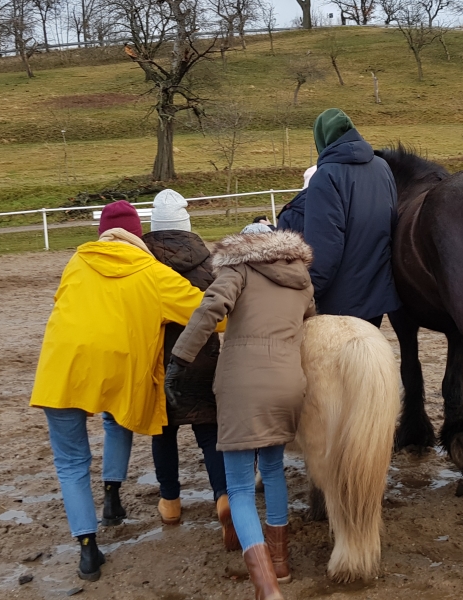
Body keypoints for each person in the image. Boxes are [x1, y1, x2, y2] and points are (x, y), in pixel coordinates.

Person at [29, 200, 210, 581]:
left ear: (102, 236)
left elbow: (62, 302)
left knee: (71, 462)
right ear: (137, 234)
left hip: (61, 370)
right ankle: (112, 498)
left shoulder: (77, 261)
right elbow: (208, 312)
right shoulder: (151, 272)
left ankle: (87, 549)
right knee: (117, 420)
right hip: (118, 370)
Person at [165, 229, 316, 600]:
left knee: (241, 487)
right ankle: (279, 561)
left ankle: (265, 585)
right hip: (287, 383)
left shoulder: (238, 271)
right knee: (275, 469)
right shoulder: (301, 279)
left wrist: (179, 359)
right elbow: (310, 322)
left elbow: (209, 311)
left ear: (243, 249)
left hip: (242, 386)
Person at [142, 190, 236, 551]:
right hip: (202, 358)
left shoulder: (144, 265)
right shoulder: (210, 264)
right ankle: (223, 497)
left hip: (159, 361)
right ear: (187, 225)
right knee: (208, 430)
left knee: (162, 433)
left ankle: (170, 504)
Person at [303, 108, 401, 325]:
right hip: (377, 295)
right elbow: (391, 221)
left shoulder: (325, 176)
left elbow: (325, 246)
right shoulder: (382, 166)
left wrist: (311, 291)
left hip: (339, 302)